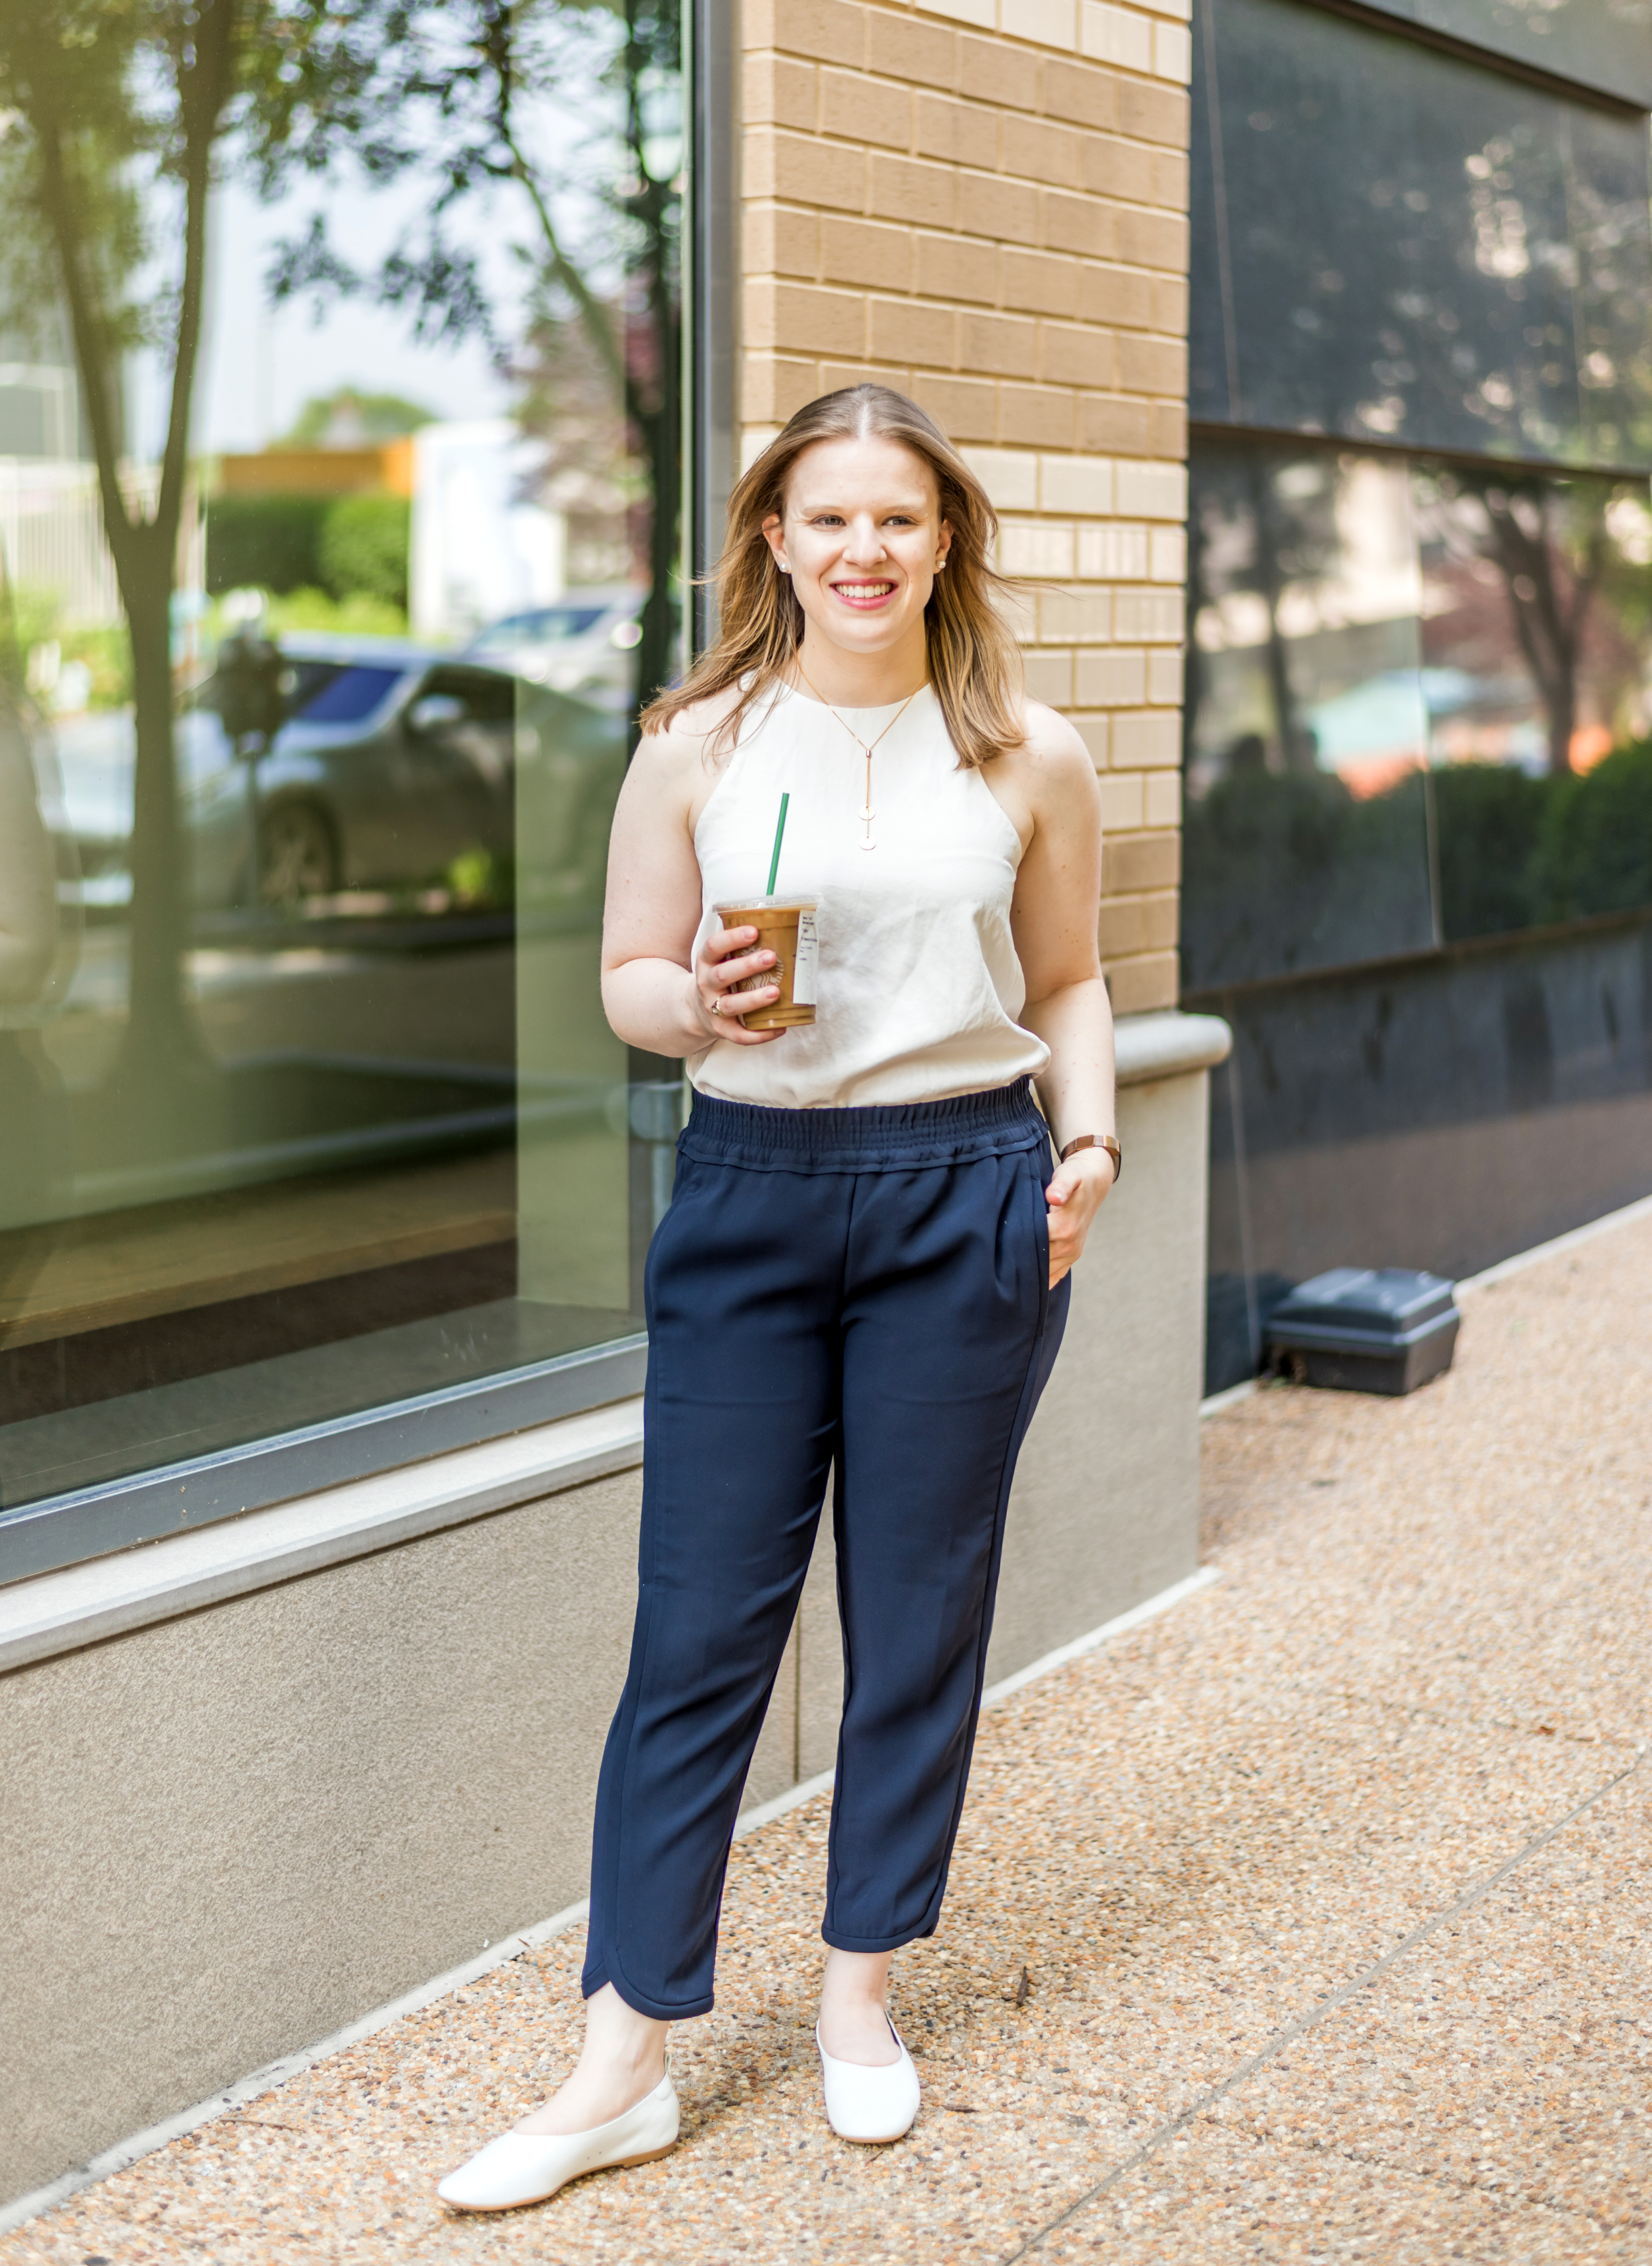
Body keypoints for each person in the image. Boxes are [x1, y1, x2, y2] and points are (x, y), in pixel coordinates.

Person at [437, 383, 1119, 2213]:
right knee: (697, 1635)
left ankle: (859, 1998)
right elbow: (629, 975)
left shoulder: (1026, 751)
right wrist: (701, 1008)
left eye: (900, 517)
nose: (865, 548)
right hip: (750, 1188)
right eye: (830, 518)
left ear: (946, 536)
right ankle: (623, 2054)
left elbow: (1070, 985)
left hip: (964, 1186)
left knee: (915, 1618)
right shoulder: (697, 744)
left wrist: (1095, 1144)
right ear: (773, 540)